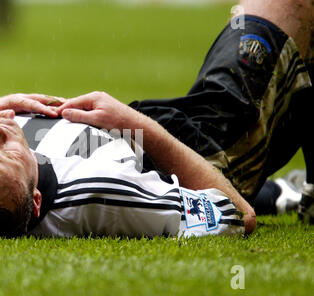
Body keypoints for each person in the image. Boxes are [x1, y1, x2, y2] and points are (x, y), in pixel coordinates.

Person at [57, 0, 313, 223]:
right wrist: (127, 119)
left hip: (178, 136)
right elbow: (243, 215)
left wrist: (15, 103)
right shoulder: (42, 194)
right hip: (198, 152)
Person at [0, 94, 255, 239]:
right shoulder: (104, 191)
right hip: (164, 136)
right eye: (9, 153)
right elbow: (239, 213)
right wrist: (137, 123)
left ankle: (279, 192)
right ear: (35, 200)